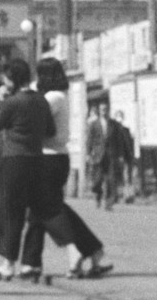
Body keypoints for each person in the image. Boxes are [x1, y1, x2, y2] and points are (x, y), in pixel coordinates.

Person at [18, 57, 110, 279]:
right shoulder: (59, 96)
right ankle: (32, 263)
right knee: (43, 211)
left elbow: (32, 118)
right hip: (54, 157)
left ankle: (76, 250)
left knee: (48, 210)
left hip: (48, 159)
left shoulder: (52, 98)